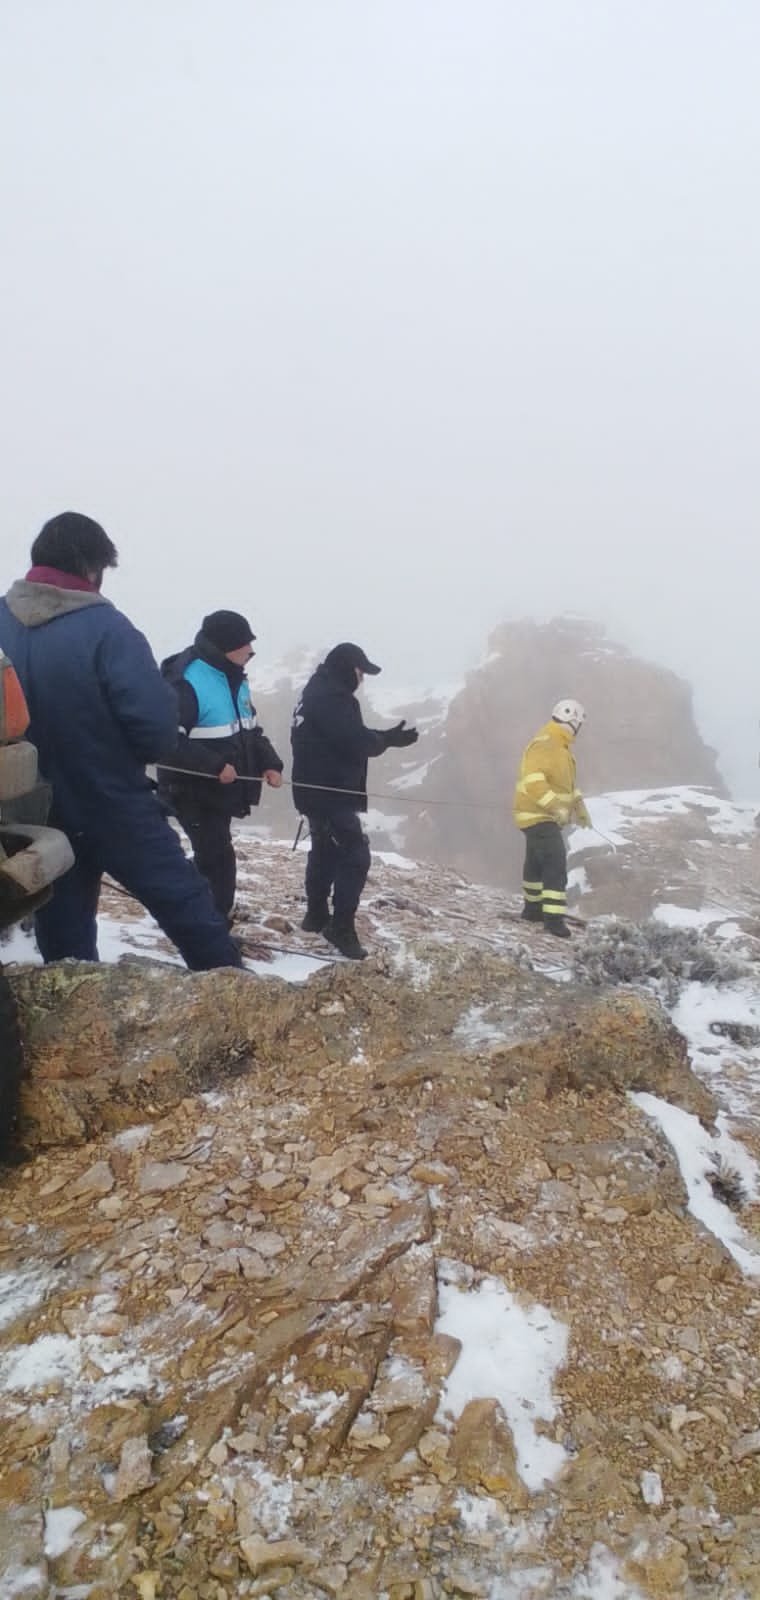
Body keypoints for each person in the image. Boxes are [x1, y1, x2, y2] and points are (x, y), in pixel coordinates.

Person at [0, 512, 244, 970]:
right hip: (114, 804)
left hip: (33, 815)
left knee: (66, 946)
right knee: (189, 911)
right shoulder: (108, 630)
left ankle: (74, 1031)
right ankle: (249, 1021)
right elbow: (155, 732)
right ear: (93, 569)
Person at [291, 642, 419, 959]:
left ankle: (316, 914)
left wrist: (385, 737)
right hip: (331, 791)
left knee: (324, 848)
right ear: (348, 668)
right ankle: (341, 926)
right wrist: (386, 741)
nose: (362, 679)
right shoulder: (333, 697)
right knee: (355, 854)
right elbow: (355, 741)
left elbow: (344, 733)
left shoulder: (317, 690)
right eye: (361, 672)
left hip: (313, 789)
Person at [158, 611, 283, 923]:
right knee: (217, 858)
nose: (251, 653)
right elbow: (164, 741)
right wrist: (214, 765)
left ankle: (200, 912)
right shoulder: (186, 681)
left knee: (213, 854)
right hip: (191, 791)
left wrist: (270, 763)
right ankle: (211, 925)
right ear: (226, 646)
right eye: (246, 647)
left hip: (220, 792)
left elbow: (250, 729)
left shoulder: (234, 678)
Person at [512, 698, 591, 938]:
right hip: (539, 815)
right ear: (574, 720)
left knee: (535, 863)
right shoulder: (548, 743)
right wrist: (556, 807)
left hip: (539, 816)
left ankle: (532, 911)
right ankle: (553, 921)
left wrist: (580, 808)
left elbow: (565, 786)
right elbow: (534, 781)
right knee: (555, 864)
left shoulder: (560, 746)